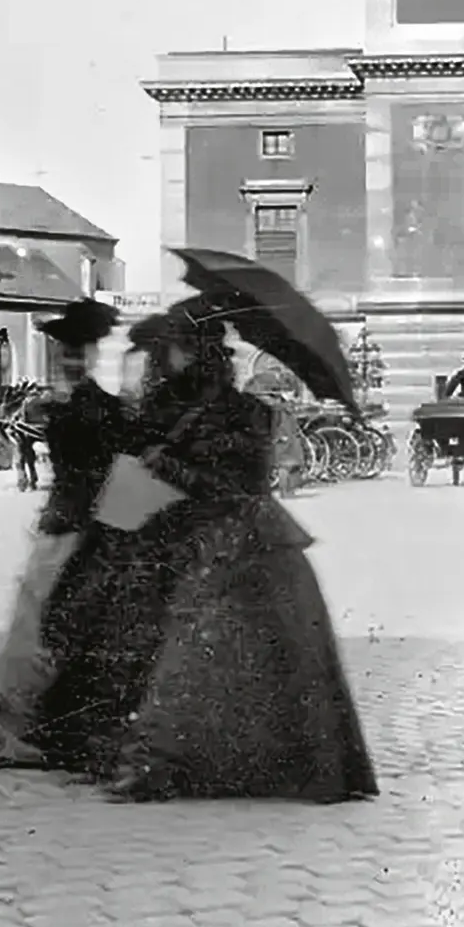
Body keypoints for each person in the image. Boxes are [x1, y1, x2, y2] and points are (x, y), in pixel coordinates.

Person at [96, 298, 378, 804]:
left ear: (198, 354)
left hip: (241, 543)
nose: (170, 361)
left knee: (200, 654)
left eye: (178, 350)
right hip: (209, 542)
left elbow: (234, 487)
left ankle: (156, 764)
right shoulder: (183, 409)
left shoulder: (248, 414)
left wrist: (170, 466)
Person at [0, 299, 127, 769]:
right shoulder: (97, 409)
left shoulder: (71, 408)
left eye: (69, 351)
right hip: (79, 528)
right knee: (44, 629)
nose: (67, 358)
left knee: (36, 629)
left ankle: (10, 730)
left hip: (66, 527)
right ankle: (15, 732)